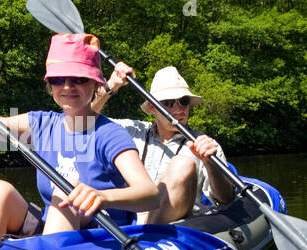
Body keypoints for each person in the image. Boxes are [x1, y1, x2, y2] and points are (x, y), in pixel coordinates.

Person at [0, 34, 160, 237]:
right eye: (58, 80)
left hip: (99, 236)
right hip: (52, 225)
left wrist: (102, 196)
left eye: (78, 78)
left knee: (66, 190)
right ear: (50, 86)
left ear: (95, 82)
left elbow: (150, 194)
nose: (67, 87)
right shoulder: (40, 122)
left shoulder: (110, 134)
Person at [91, 64, 237, 223]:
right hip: (128, 224)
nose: (179, 109)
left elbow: (226, 200)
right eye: (168, 103)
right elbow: (83, 120)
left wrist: (210, 164)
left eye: (183, 101)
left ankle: (148, 234)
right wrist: (111, 85)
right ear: (153, 107)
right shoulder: (131, 131)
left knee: (182, 164)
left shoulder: (205, 145)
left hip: (175, 227)